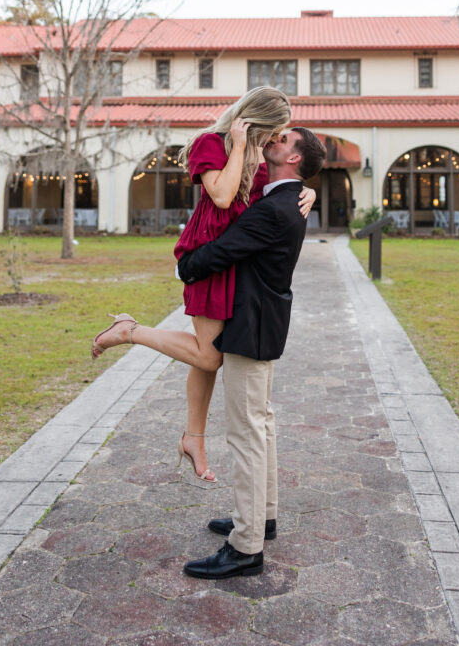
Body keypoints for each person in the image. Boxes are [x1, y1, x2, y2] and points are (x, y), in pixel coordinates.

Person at [90, 87, 315, 483]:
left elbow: (274, 191)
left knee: (208, 352)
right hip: (207, 257)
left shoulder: (260, 156)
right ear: (256, 121)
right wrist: (240, 145)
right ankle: (129, 330)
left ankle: (194, 438)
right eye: (273, 130)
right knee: (210, 357)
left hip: (234, 260)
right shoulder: (210, 144)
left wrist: (306, 190)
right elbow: (224, 196)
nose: (274, 139)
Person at [177, 126, 326, 580]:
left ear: (294, 158)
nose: (273, 140)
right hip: (262, 323)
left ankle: (245, 546)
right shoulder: (288, 198)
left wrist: (186, 266)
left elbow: (222, 251)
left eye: (283, 139)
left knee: (246, 435)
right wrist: (310, 190)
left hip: (249, 326)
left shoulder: (275, 209)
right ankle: (263, 518)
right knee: (261, 424)